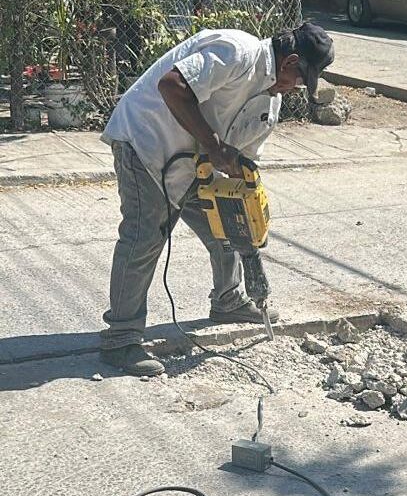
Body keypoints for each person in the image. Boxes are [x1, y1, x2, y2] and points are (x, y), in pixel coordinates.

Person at [98, 22, 335, 376]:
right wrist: (212, 145)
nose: (297, 87)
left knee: (228, 225)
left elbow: (240, 164)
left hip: (192, 164)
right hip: (146, 141)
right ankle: (121, 338)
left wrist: (247, 206)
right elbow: (172, 86)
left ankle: (228, 301)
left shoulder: (270, 104)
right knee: (144, 237)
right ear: (291, 62)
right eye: (300, 78)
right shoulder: (236, 51)